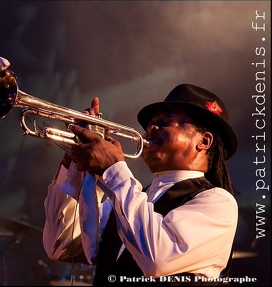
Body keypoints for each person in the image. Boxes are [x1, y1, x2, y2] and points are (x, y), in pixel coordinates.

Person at [42, 84, 239, 286]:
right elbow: (61, 244)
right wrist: (72, 160)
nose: (151, 128)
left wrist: (113, 168)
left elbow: (156, 260)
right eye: (152, 123)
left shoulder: (217, 202)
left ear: (204, 141)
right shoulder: (132, 199)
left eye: (164, 122)